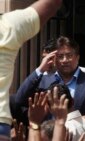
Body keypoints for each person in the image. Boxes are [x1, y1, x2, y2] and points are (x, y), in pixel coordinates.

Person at [0, 0, 62, 139]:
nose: (63, 60)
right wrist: (40, 69)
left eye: (67, 55)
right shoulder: (8, 25)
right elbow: (20, 99)